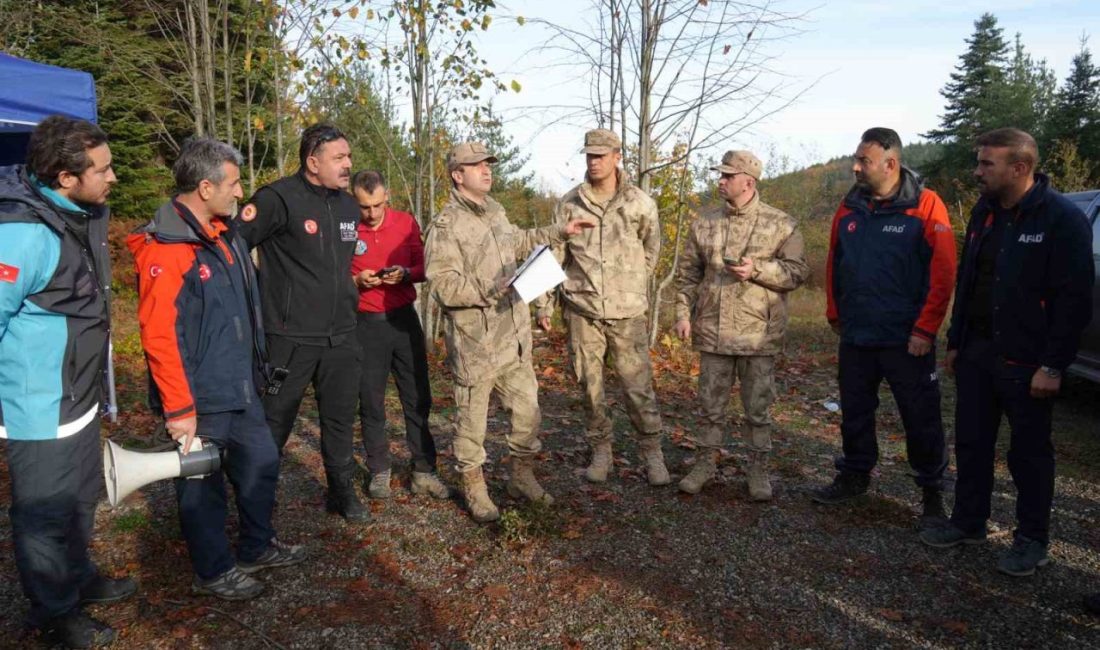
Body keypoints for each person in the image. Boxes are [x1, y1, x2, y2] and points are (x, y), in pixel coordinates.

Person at [128, 137, 306, 601]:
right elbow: (159, 335)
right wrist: (179, 408)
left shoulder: (224, 234)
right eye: (234, 183)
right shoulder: (166, 249)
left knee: (262, 464)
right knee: (201, 489)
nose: (241, 192)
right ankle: (212, 570)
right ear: (205, 187)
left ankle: (256, 546)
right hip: (199, 397)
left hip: (241, 387)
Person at [920, 128, 1094, 577]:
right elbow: (970, 279)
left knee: (1029, 454)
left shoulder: (1060, 219)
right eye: (978, 162)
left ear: (1020, 168)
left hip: (1028, 361)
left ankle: (1032, 540)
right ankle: (969, 522)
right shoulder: (985, 212)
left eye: (986, 164)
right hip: (979, 354)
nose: (977, 171)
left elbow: (1074, 301)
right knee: (973, 442)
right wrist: (956, 341)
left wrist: (1053, 365)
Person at [0, 115, 133, 648]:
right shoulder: (21, 235)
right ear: (64, 176)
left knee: (79, 498)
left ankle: (77, 579)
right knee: (45, 514)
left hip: (77, 398)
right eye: (103, 169)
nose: (114, 177)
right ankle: (54, 614)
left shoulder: (75, 212)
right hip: (39, 406)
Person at [424, 141, 594, 523]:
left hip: (514, 338)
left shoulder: (496, 212)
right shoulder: (446, 226)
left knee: (527, 414)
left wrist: (559, 231)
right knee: (472, 423)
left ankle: (521, 477)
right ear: (457, 175)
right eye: (477, 165)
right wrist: (488, 289)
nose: (487, 170)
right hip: (476, 343)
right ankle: (475, 487)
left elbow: (517, 242)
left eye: (488, 164)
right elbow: (442, 286)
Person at [811, 127, 957, 528]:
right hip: (857, 334)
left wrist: (925, 330)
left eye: (864, 161)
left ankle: (931, 493)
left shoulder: (926, 206)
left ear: (891, 164)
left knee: (920, 416)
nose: (856, 167)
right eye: (856, 159)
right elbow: (834, 263)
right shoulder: (850, 206)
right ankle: (855, 475)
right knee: (855, 410)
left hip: (906, 338)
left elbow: (943, 274)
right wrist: (834, 313)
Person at [237, 124, 368, 522]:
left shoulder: (348, 206)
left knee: (341, 419)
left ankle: (341, 491)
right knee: (274, 423)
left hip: (341, 336)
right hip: (289, 338)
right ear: (313, 162)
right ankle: (257, 507)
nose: (348, 165)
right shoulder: (277, 199)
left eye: (348, 156)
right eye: (339, 158)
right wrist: (259, 299)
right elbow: (234, 247)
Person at [534, 128, 669, 487]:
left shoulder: (640, 203)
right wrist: (544, 304)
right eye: (589, 155)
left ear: (616, 157)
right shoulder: (569, 204)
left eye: (600, 155)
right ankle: (601, 451)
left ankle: (652, 452)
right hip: (583, 311)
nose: (594, 161)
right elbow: (555, 257)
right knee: (589, 386)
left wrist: (630, 285)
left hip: (627, 312)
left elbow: (651, 252)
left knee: (637, 387)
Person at [673, 150, 809, 500]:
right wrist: (682, 313)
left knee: (758, 408)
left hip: (757, 336)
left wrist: (758, 270)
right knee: (709, 405)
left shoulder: (782, 224)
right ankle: (705, 463)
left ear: (748, 181)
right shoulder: (704, 223)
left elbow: (798, 272)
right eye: (720, 174)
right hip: (713, 332)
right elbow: (688, 274)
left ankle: (758, 470)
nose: (720, 180)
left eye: (727, 176)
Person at [349, 170, 450, 500]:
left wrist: (406, 274)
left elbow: (425, 268)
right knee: (371, 399)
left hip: (403, 321)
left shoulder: (406, 223)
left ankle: (424, 469)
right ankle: (379, 469)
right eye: (365, 207)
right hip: (365, 324)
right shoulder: (346, 228)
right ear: (355, 201)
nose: (373, 213)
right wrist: (356, 282)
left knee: (417, 397)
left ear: (387, 196)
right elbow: (334, 276)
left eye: (378, 205)